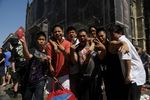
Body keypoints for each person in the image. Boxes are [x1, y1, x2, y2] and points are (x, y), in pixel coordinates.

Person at [109, 24, 146, 100]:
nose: (111, 36)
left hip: (134, 76)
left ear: (119, 33)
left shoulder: (123, 42)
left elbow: (127, 60)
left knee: (133, 97)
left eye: (112, 34)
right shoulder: (122, 41)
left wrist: (128, 76)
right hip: (136, 74)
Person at [20, 31, 49, 100]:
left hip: (40, 80)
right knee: (26, 98)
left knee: (39, 98)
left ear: (45, 41)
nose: (41, 41)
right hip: (29, 79)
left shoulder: (48, 52)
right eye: (39, 39)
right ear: (36, 40)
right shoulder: (33, 50)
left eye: (43, 39)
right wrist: (24, 44)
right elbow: (28, 56)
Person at [46, 25, 71, 91]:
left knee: (65, 95)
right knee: (52, 96)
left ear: (63, 32)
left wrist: (63, 50)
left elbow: (68, 58)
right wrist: (52, 72)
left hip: (64, 75)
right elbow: (49, 59)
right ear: (53, 33)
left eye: (59, 31)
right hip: (52, 76)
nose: (57, 33)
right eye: (55, 32)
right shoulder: (49, 45)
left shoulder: (67, 43)